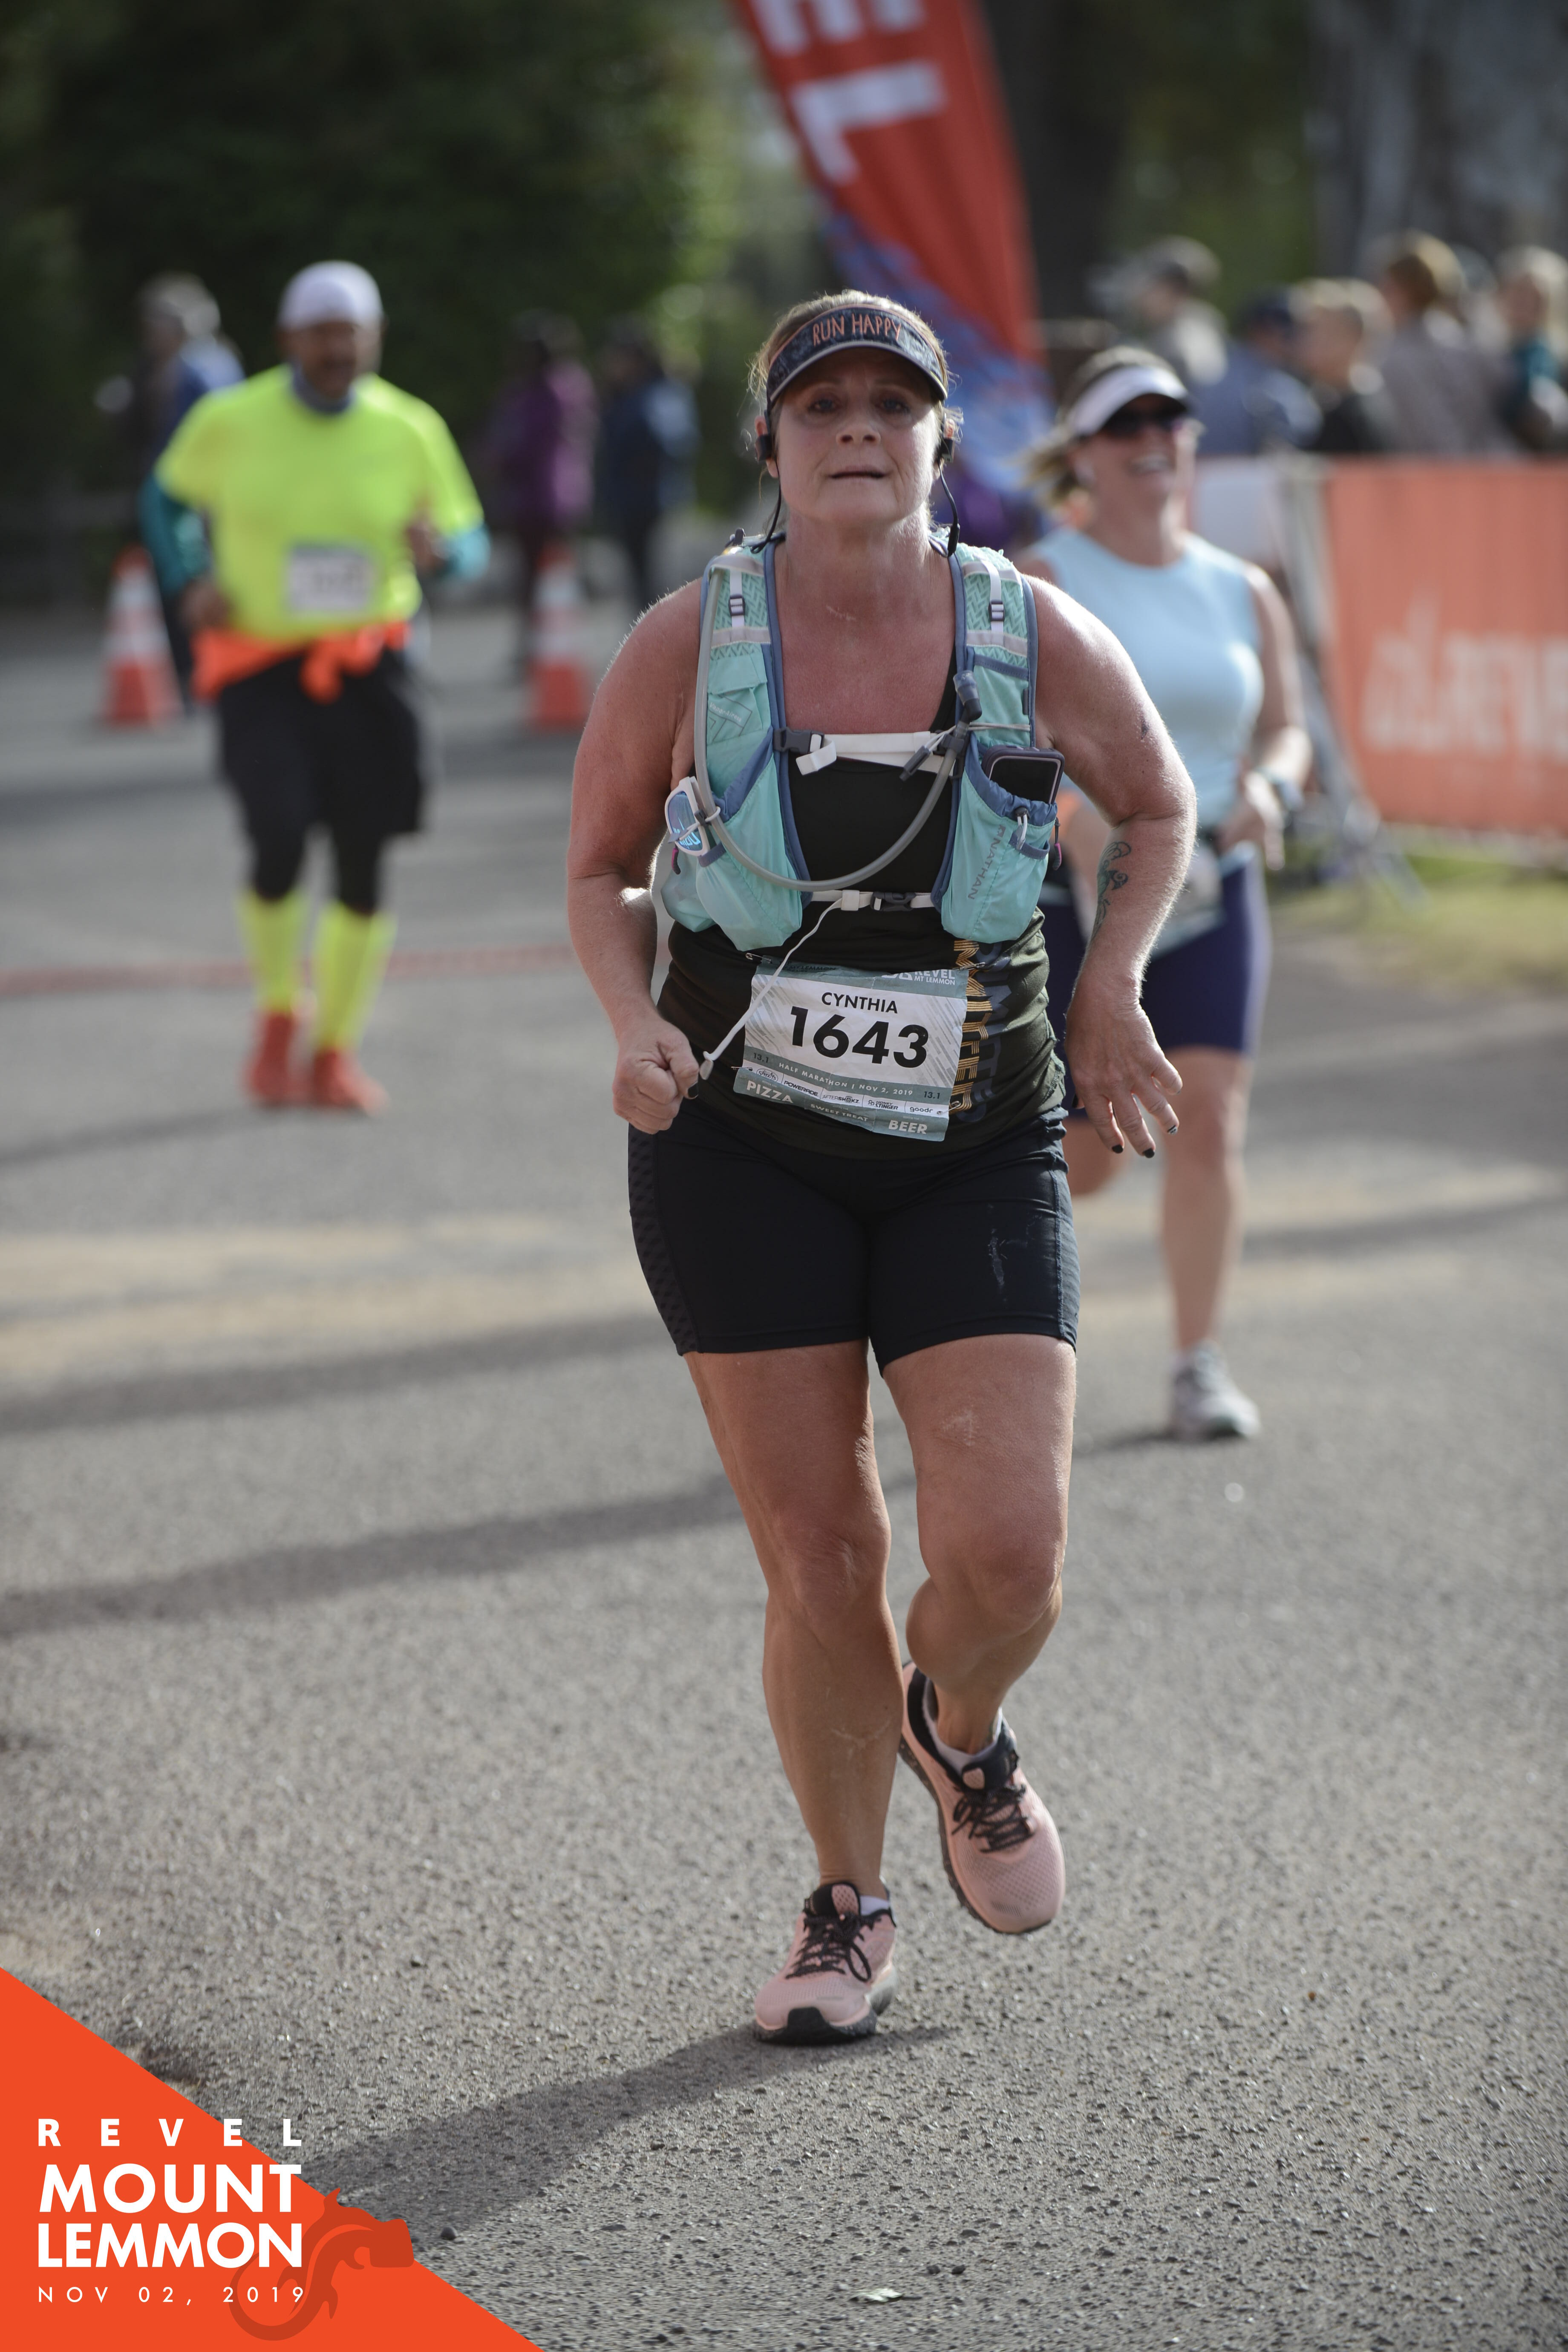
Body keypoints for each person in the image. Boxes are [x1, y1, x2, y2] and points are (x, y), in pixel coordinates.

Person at [567, 292, 1196, 2041]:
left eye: (891, 403)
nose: (857, 426)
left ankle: (959, 1730)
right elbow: (600, 869)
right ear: (769, 444)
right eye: (820, 403)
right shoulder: (686, 641)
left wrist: (1109, 984)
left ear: (941, 441)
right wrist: (631, 1019)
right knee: (822, 1554)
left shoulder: (1027, 626)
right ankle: (846, 1906)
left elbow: (1157, 809)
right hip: (739, 1144)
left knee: (1008, 1556)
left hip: (972, 1140)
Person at [1020, 347, 1311, 1442]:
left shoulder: (1240, 587)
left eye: (1170, 419)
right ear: (1082, 452)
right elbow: (1009, 736)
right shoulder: (1041, 579)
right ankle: (983, 1340)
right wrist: (1075, 818)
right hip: (1075, 897)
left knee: (1207, 1120)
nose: (1153, 438)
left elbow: (1285, 727)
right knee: (1086, 1153)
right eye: (1126, 422)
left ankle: (1197, 1365)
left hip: (1216, 883)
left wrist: (1272, 790)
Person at [142, 261, 488, 1112]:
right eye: (321, 334)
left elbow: (470, 537)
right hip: (262, 664)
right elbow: (164, 500)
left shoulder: (409, 426)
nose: (338, 350)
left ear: (374, 338)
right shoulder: (231, 419)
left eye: (352, 334)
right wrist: (190, 575)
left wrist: (444, 555)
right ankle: (276, 1014)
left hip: (370, 665)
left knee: (366, 857)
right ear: (288, 339)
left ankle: (334, 1048)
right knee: (278, 836)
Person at [110, 277, 245, 699]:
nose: (153, 335)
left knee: (192, 579)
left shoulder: (203, 368)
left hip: (196, 494)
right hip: (184, 491)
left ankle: (202, 669)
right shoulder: (176, 367)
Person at [480, 313, 597, 641]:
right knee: (554, 574)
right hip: (561, 495)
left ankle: (545, 643)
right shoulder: (573, 385)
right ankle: (555, 642)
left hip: (539, 496)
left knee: (538, 576)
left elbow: (521, 444)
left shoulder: (541, 392)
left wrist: (497, 458)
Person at [1372, 233, 1510, 455]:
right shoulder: (1470, 342)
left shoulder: (1394, 355)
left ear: (1400, 290)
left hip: (1433, 469)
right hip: (1483, 464)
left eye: (1387, 286)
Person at [595, 323, 698, 612]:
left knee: (658, 583)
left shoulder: (659, 393)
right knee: (639, 583)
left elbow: (669, 439)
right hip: (628, 499)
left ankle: (664, 636)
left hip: (655, 500)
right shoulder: (623, 395)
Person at [1187, 289, 1321, 457]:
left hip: (1200, 469)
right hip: (1251, 472)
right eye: (1292, 334)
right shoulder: (1276, 385)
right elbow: (1302, 435)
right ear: (1271, 332)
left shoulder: (1208, 369)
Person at [1296, 279, 1400, 455]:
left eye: (1327, 332)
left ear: (1356, 338)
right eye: (1309, 330)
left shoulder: (1358, 414)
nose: (1311, 341)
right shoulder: (1320, 400)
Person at [1495, 247, 1568, 453]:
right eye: (1517, 294)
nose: (1523, 304)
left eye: (1533, 298)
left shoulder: (1552, 357)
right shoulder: (1492, 348)